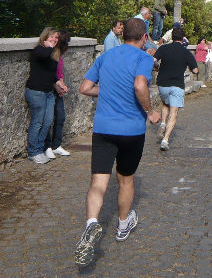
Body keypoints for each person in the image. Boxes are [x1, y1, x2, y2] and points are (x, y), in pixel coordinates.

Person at [76, 18, 161, 267]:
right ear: (144, 38)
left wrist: (109, 90)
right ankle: (123, 225)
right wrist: (150, 111)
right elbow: (139, 85)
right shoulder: (144, 58)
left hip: (103, 129)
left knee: (98, 181)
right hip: (131, 130)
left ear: (123, 35)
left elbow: (84, 87)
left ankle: (92, 222)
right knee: (125, 179)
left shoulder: (106, 56)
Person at [154, 28, 198, 151]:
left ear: (172, 37)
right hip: (177, 85)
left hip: (163, 83)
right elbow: (195, 70)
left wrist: (157, 67)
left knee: (165, 103)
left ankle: (163, 123)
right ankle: (165, 140)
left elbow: (154, 60)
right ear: (183, 38)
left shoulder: (163, 48)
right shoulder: (186, 52)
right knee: (174, 113)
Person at [25, 27, 64, 164]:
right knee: (37, 122)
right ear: (44, 37)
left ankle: (40, 148)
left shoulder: (52, 53)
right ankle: (33, 151)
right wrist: (48, 46)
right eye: (51, 37)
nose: (54, 40)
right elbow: (43, 55)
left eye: (56, 38)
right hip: (36, 92)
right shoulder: (39, 50)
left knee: (47, 122)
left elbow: (51, 73)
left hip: (48, 92)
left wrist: (59, 84)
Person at [44, 30, 72, 158]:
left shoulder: (59, 54)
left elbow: (59, 74)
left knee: (60, 117)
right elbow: (49, 74)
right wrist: (58, 86)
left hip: (57, 88)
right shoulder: (51, 53)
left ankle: (56, 145)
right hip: (49, 89)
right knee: (48, 119)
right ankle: (47, 146)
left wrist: (62, 85)